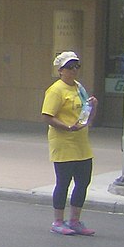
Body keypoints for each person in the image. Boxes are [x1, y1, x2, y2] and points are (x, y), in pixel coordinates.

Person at [41, 51, 98, 236]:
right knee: (63, 182)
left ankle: (75, 220)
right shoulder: (56, 90)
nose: (74, 70)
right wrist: (66, 127)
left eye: (76, 66)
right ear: (61, 70)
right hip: (64, 143)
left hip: (81, 143)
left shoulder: (78, 88)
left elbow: (87, 117)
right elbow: (47, 116)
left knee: (83, 181)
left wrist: (93, 107)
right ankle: (58, 220)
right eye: (70, 67)